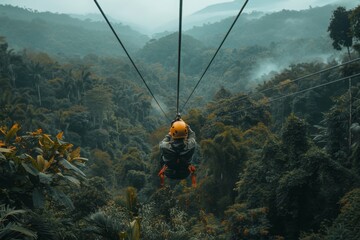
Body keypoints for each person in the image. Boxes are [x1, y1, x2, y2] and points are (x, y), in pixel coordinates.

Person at [158, 118, 197, 187]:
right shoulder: (191, 145)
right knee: (191, 154)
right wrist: (185, 125)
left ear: (172, 132)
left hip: (169, 173)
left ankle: (163, 172)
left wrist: (170, 133)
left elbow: (164, 141)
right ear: (185, 133)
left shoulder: (164, 146)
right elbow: (192, 135)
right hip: (184, 173)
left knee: (162, 155)